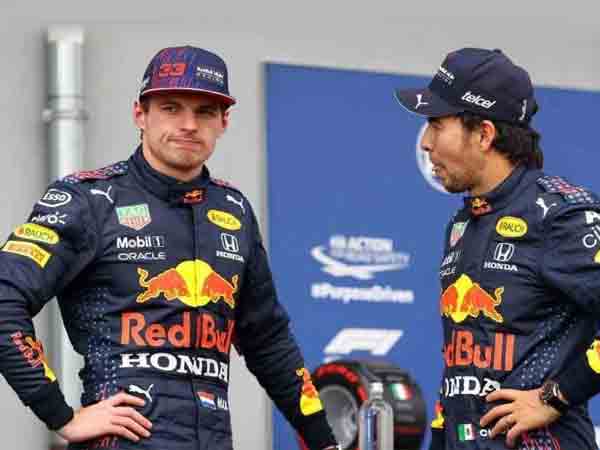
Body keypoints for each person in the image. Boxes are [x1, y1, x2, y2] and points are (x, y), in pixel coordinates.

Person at [0, 45, 339, 450]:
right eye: (171, 108)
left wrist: (324, 441)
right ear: (140, 115)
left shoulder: (233, 209)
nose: (189, 125)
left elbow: (268, 340)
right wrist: (61, 416)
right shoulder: (88, 200)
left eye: (205, 112)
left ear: (224, 122)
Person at [394, 47, 600, 450]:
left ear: (484, 134)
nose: (426, 144)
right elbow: (461, 368)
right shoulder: (464, 222)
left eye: (436, 125)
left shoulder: (559, 215)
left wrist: (554, 397)